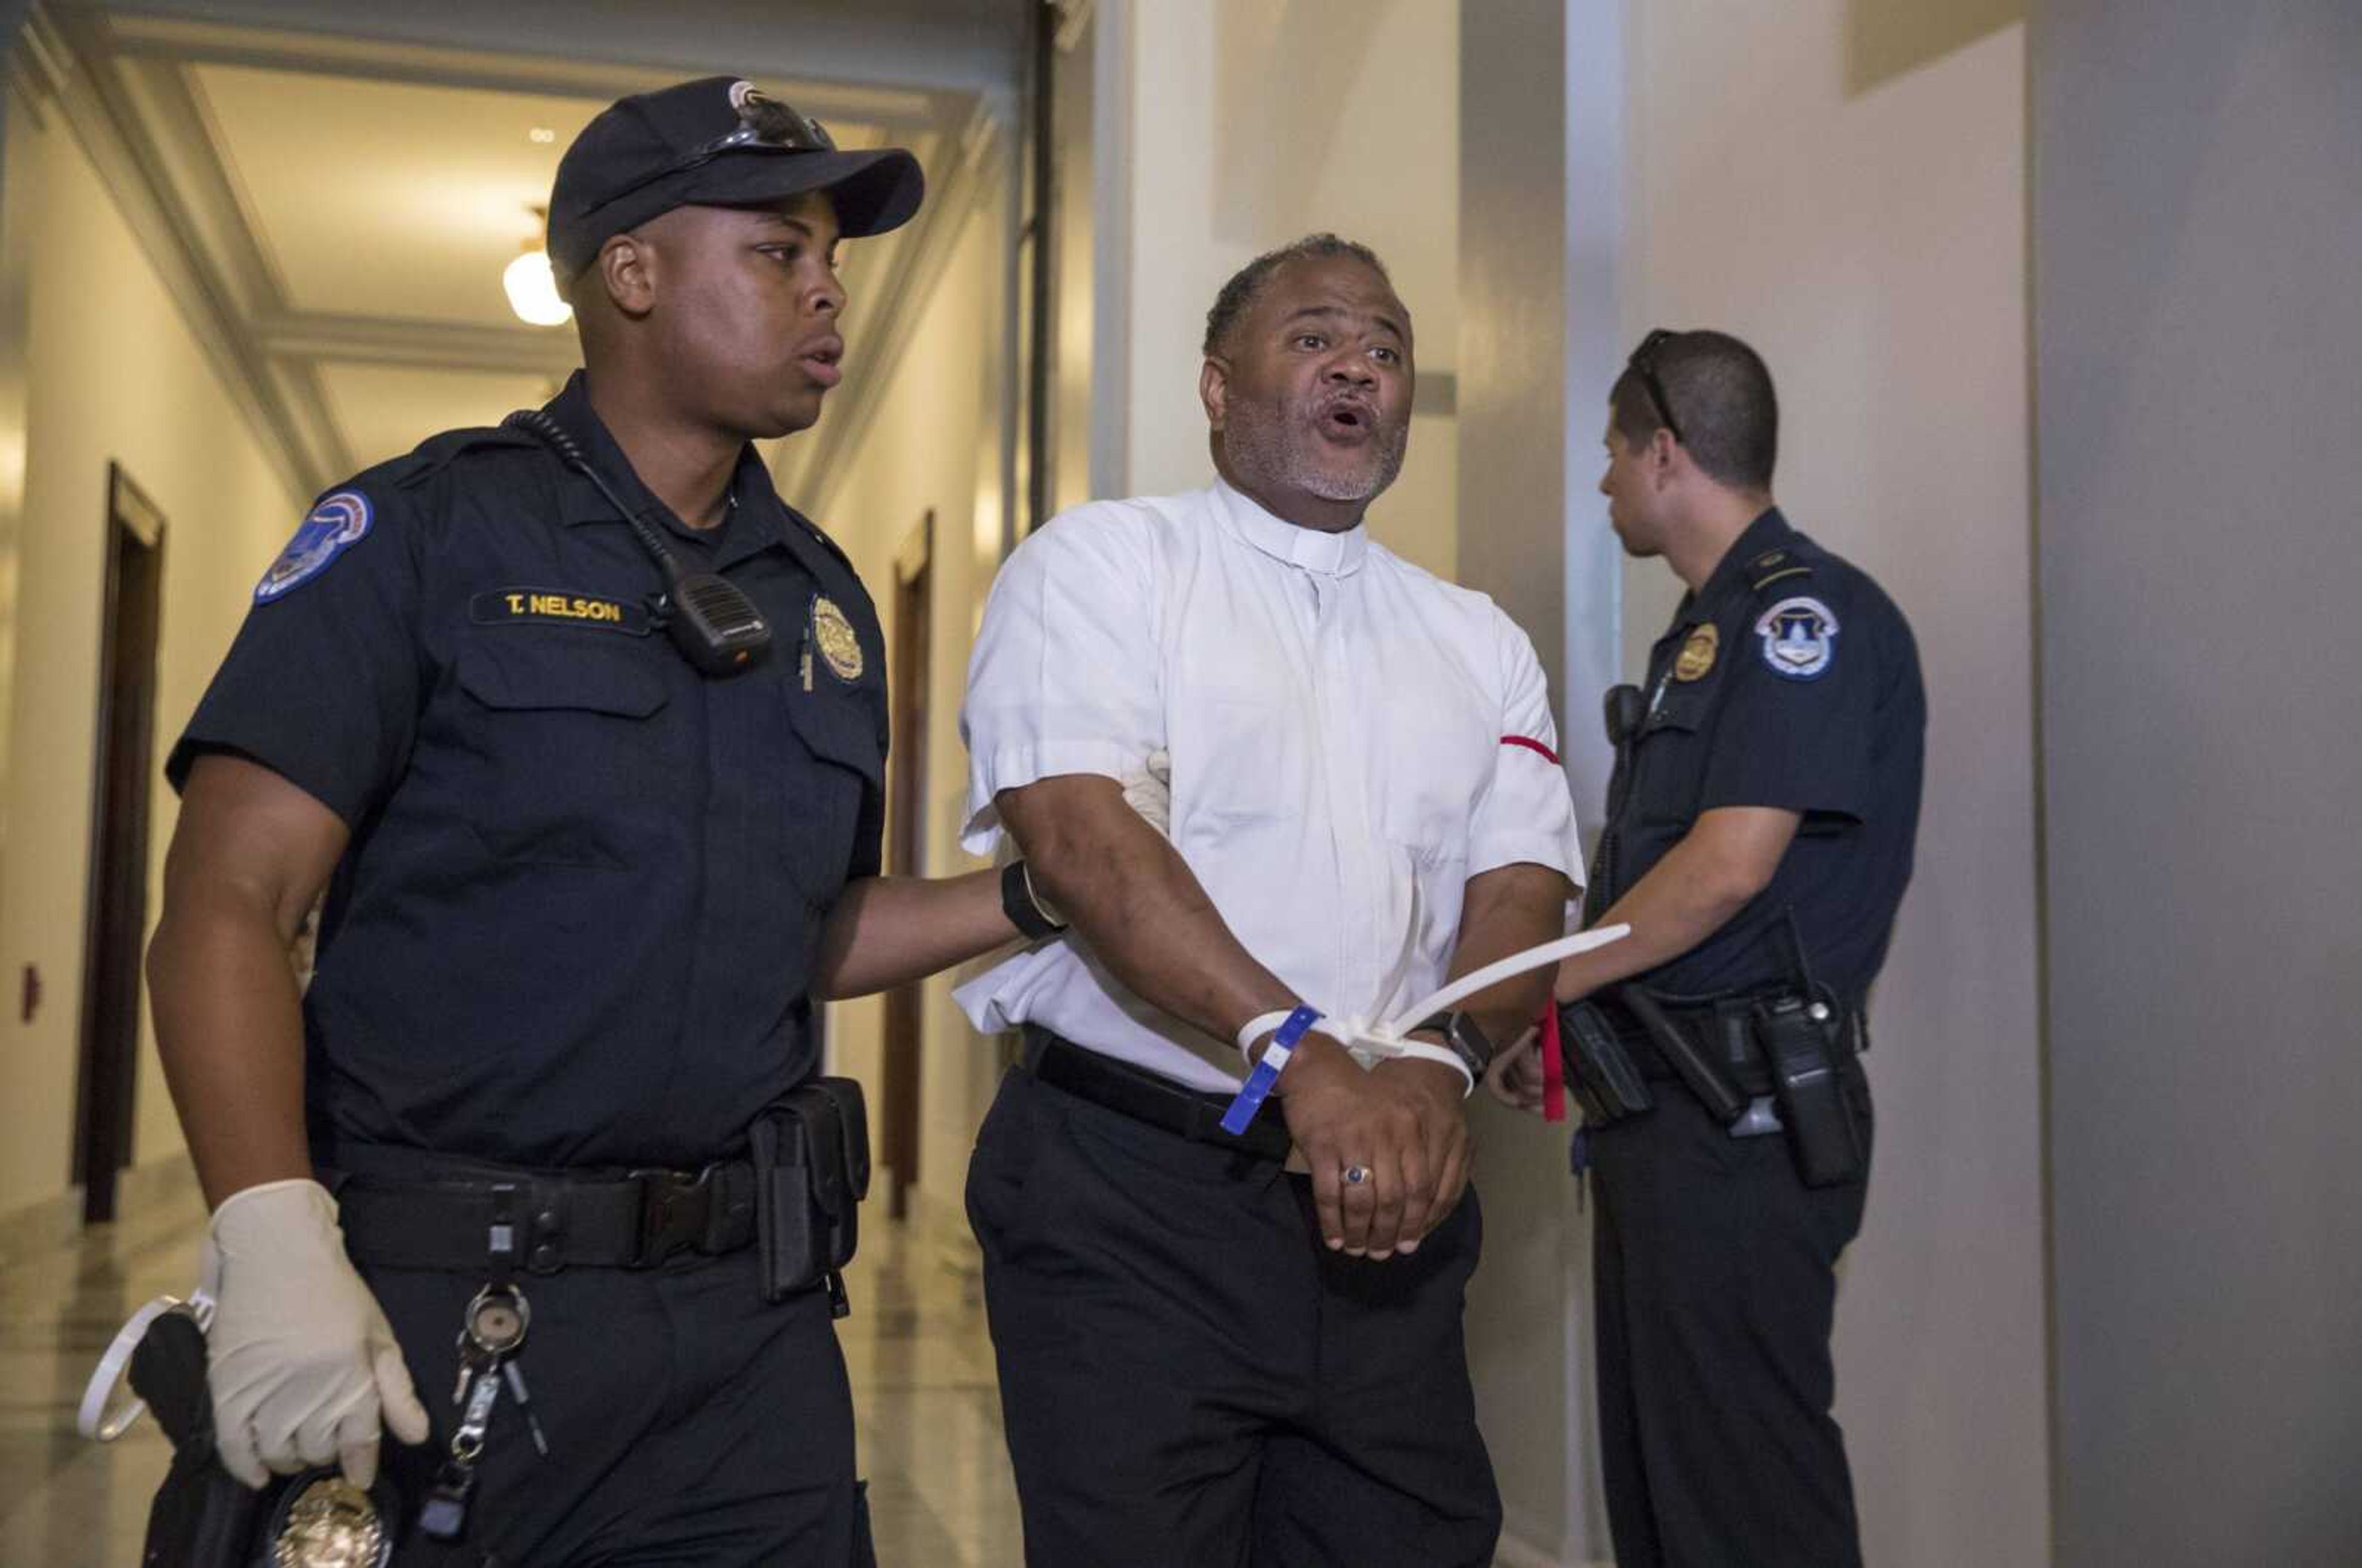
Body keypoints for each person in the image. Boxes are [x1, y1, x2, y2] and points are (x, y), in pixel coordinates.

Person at [146, 76, 1041, 1566]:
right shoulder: (421, 535)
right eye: (777, 252)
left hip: (747, 1335)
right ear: (631, 273)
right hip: (446, 1297)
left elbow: (798, 929)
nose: (829, 292)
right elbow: (227, 904)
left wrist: (1034, 896)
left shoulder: (818, 601)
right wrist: (273, 1234)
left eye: (837, 259)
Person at [954, 234, 1585, 1568]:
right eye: (1314, 335)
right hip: (1135, 1205)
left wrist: (1436, 1055)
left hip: (1391, 1216)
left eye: (1388, 344)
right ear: (1215, 384)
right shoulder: (1102, 570)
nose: (1361, 360)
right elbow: (1082, 840)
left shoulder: (1476, 640)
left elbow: (1524, 875)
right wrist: (1292, 1051)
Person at [1487, 328, 1926, 1566]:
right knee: (1667, 1500)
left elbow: (1727, 870)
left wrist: (1535, 986)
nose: (1603, 482)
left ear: (1665, 451)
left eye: (1614, 454)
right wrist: (1569, 1029)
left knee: (1746, 1508)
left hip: (1742, 1132)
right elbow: (1667, 904)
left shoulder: (1801, 618)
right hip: (1667, 1114)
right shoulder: (1706, 632)